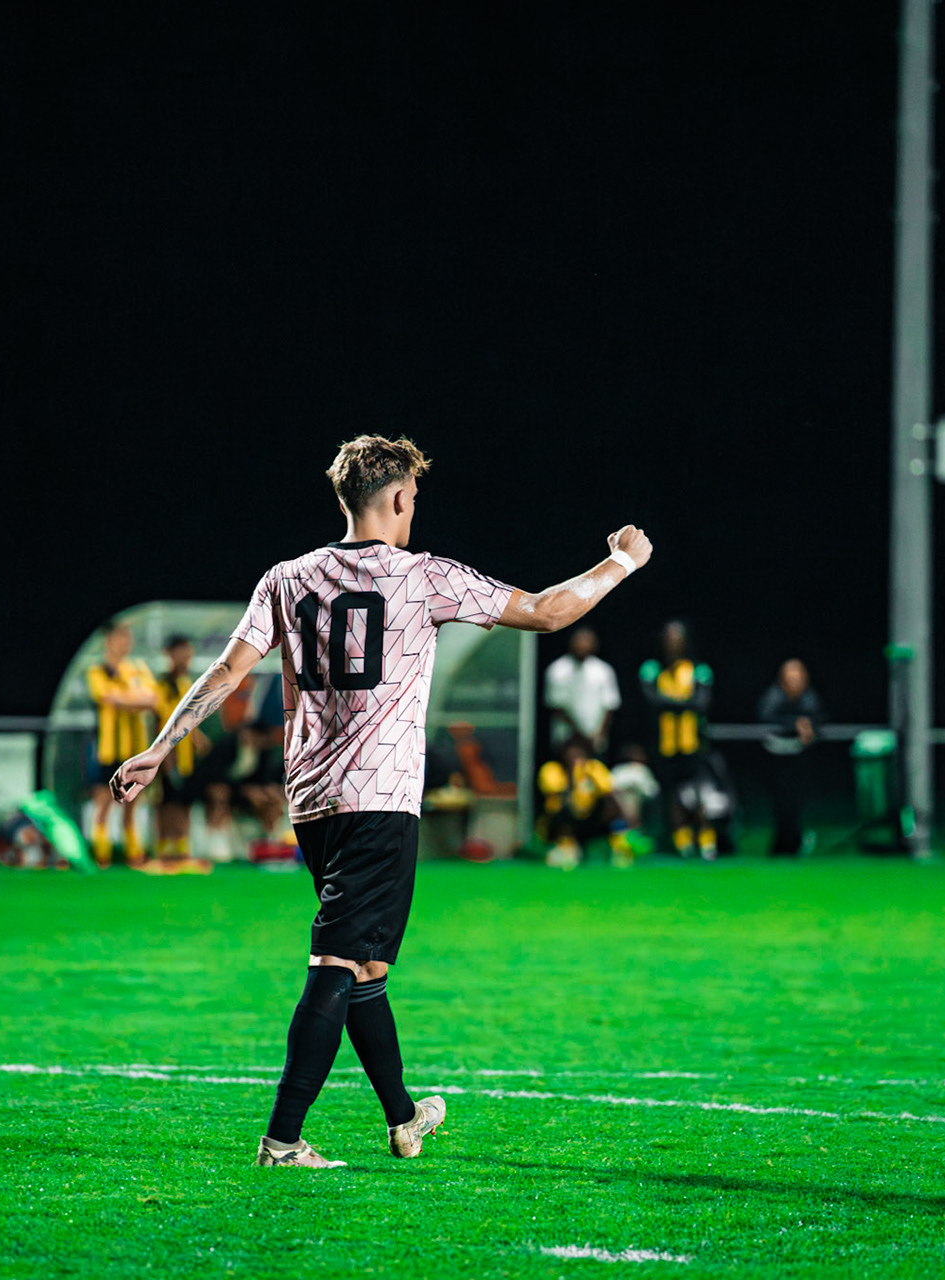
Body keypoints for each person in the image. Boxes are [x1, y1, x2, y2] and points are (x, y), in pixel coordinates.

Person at [109, 434, 652, 1168]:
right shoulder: (423, 577)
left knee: (365, 969)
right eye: (413, 500)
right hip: (380, 799)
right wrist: (622, 561)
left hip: (312, 804)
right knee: (337, 960)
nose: (414, 511)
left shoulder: (287, 577)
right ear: (398, 499)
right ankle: (284, 1139)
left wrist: (161, 745)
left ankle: (403, 1118)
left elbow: (228, 671)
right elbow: (552, 611)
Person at [639, 621, 723, 858]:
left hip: (693, 744)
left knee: (701, 793)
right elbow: (651, 702)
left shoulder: (699, 670)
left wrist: (670, 703)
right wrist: (684, 703)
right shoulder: (652, 669)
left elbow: (702, 703)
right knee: (672, 795)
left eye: (677, 638)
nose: (672, 643)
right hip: (664, 744)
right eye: (668, 638)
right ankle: (681, 842)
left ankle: (706, 841)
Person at [85, 623, 158, 865]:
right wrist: (134, 700)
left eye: (127, 637)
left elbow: (152, 699)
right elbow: (106, 697)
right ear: (108, 640)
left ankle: (132, 851)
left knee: (131, 801)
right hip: (107, 748)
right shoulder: (98, 670)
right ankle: (101, 850)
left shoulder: (137, 668)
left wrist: (124, 699)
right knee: (104, 800)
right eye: (119, 637)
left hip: (134, 748)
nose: (124, 642)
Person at [152, 634, 212, 862]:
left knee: (184, 800)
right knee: (167, 801)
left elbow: (190, 721)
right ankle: (165, 846)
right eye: (182, 652)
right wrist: (165, 756)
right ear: (170, 654)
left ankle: (182, 845)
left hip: (187, 758)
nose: (186, 658)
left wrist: (199, 741)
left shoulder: (187, 685)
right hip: (167, 755)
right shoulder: (161, 686)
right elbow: (161, 721)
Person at [757, 659, 826, 856]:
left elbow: (818, 717)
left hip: (799, 757)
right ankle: (779, 845)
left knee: (797, 801)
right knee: (779, 803)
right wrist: (795, 723)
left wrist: (807, 724)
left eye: (798, 677)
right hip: (775, 757)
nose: (795, 682)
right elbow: (766, 717)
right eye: (790, 677)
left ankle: (796, 842)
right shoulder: (773, 696)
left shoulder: (809, 698)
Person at [536, 737, 618, 870]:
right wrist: (572, 776)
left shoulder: (593, 768)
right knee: (564, 811)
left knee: (610, 806)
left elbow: (608, 791)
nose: (574, 758)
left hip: (590, 818)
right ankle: (566, 848)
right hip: (560, 820)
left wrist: (588, 777)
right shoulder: (552, 769)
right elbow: (557, 796)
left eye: (578, 754)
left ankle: (618, 847)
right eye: (570, 754)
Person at [544, 627, 621, 755]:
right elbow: (556, 706)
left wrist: (598, 735)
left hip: (595, 741)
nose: (582, 645)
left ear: (595, 645)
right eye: (579, 641)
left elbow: (610, 705)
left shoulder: (604, 670)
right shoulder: (557, 669)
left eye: (587, 641)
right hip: (566, 740)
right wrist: (581, 735)